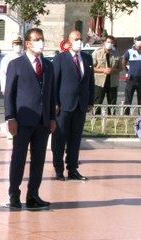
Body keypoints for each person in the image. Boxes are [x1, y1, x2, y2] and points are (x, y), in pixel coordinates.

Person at [5, 28, 56, 209]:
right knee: (18, 158)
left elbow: (51, 94)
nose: (40, 42)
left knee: (39, 159)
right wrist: (10, 117)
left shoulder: (48, 65)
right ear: (28, 43)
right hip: (22, 120)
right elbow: (9, 94)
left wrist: (52, 118)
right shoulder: (16, 64)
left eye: (42, 39)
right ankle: (14, 194)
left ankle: (33, 194)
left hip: (42, 122)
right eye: (37, 39)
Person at [52, 30, 94, 181]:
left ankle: (72, 169)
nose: (79, 42)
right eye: (76, 39)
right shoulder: (60, 58)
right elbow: (54, 82)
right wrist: (55, 102)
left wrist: (90, 101)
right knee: (59, 138)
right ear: (69, 42)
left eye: (81, 39)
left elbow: (90, 82)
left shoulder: (87, 58)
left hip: (80, 105)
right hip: (63, 105)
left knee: (75, 139)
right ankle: (58, 169)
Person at [0, 36, 24, 140]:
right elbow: (3, 74)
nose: (18, 46)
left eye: (20, 44)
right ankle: (10, 131)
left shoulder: (25, 57)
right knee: (10, 109)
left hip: (22, 88)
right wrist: (4, 88)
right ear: (12, 45)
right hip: (10, 87)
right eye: (16, 44)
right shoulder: (7, 58)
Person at [92, 35, 122, 115]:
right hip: (100, 82)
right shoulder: (97, 53)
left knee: (112, 102)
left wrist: (113, 70)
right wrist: (103, 70)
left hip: (112, 82)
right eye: (108, 42)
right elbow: (92, 68)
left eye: (112, 42)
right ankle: (95, 119)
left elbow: (121, 68)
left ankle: (111, 119)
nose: (110, 44)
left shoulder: (116, 54)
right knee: (97, 101)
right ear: (104, 43)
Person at [122, 35, 141, 114]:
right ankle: (126, 116)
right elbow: (124, 62)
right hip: (131, 79)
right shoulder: (129, 51)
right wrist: (127, 72)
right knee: (128, 98)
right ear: (135, 42)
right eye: (138, 40)